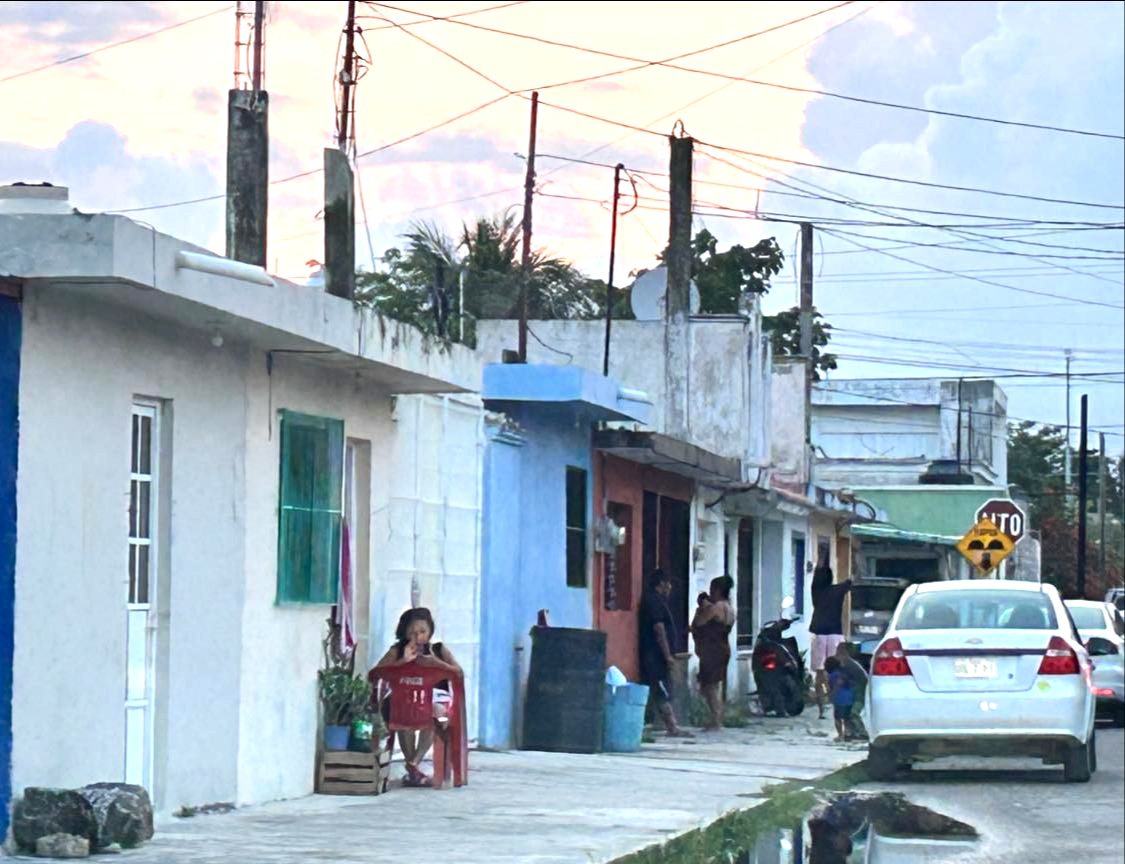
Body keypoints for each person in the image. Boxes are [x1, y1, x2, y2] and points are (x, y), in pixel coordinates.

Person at [373, 607, 462, 787]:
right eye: (412, 632)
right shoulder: (397, 651)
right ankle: (413, 767)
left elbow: (458, 673)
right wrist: (402, 662)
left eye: (422, 631)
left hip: (434, 703)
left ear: (430, 632)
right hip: (402, 702)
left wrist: (437, 664)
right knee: (402, 715)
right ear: (404, 631)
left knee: (436, 716)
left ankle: (413, 763)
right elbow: (376, 673)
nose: (417, 636)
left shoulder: (438, 650)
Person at [639, 569, 692, 737]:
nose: (670, 588)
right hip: (655, 654)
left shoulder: (658, 601)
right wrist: (667, 654)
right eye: (668, 584)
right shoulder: (653, 602)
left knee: (658, 688)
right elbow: (659, 629)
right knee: (660, 688)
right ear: (661, 584)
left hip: (655, 654)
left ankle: (661, 723)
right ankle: (671, 726)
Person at [691, 575, 736, 731]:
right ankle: (717, 718)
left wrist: (701, 608)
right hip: (723, 647)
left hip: (712, 649)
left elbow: (698, 623)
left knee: (709, 686)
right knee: (715, 685)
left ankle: (716, 720)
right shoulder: (730, 608)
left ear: (717, 590)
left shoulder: (716, 608)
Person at [809, 563, 852, 720]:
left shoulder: (815, 591)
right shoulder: (837, 590)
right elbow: (851, 581)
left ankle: (821, 710)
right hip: (835, 635)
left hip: (820, 635)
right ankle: (836, 704)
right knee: (837, 672)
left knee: (819, 674)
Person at [834, 642, 868, 739]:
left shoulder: (847, 664)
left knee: (853, 713)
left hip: (859, 692)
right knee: (848, 712)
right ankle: (851, 733)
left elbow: (840, 681)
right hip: (854, 692)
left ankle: (862, 733)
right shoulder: (847, 663)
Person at [824, 656, 854, 742]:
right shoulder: (844, 673)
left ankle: (840, 735)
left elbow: (835, 686)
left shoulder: (832, 675)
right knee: (847, 718)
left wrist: (830, 695)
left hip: (839, 699)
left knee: (837, 718)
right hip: (849, 697)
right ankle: (848, 734)